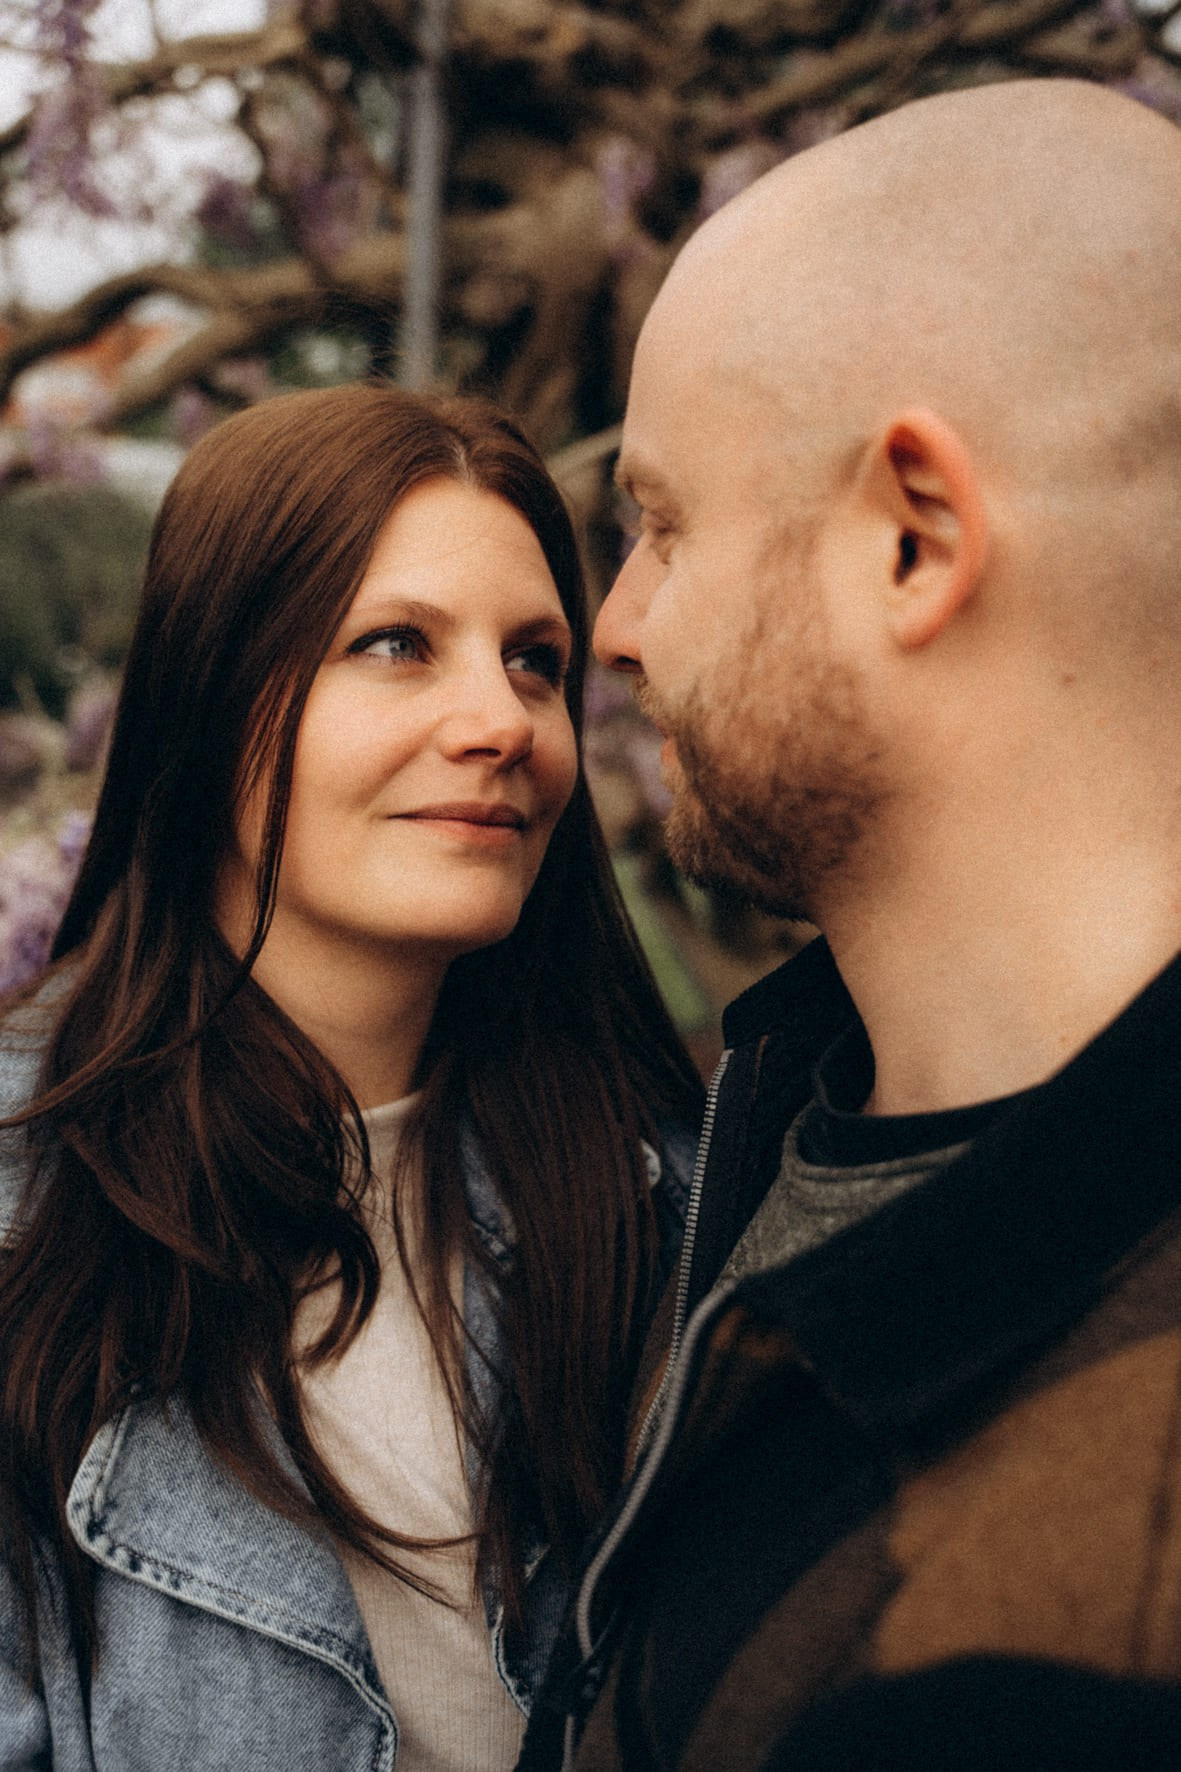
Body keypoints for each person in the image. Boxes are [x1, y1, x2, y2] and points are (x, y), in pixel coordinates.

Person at [517, 77, 1181, 1771]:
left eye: (660, 522)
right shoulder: (799, 1096)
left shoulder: (1060, 1649)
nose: (615, 626)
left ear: (912, 539)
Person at [0, 383, 701, 1771]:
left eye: (536, 661)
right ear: (213, 698)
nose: (499, 721)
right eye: (397, 646)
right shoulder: (31, 1223)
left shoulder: (663, 1198)